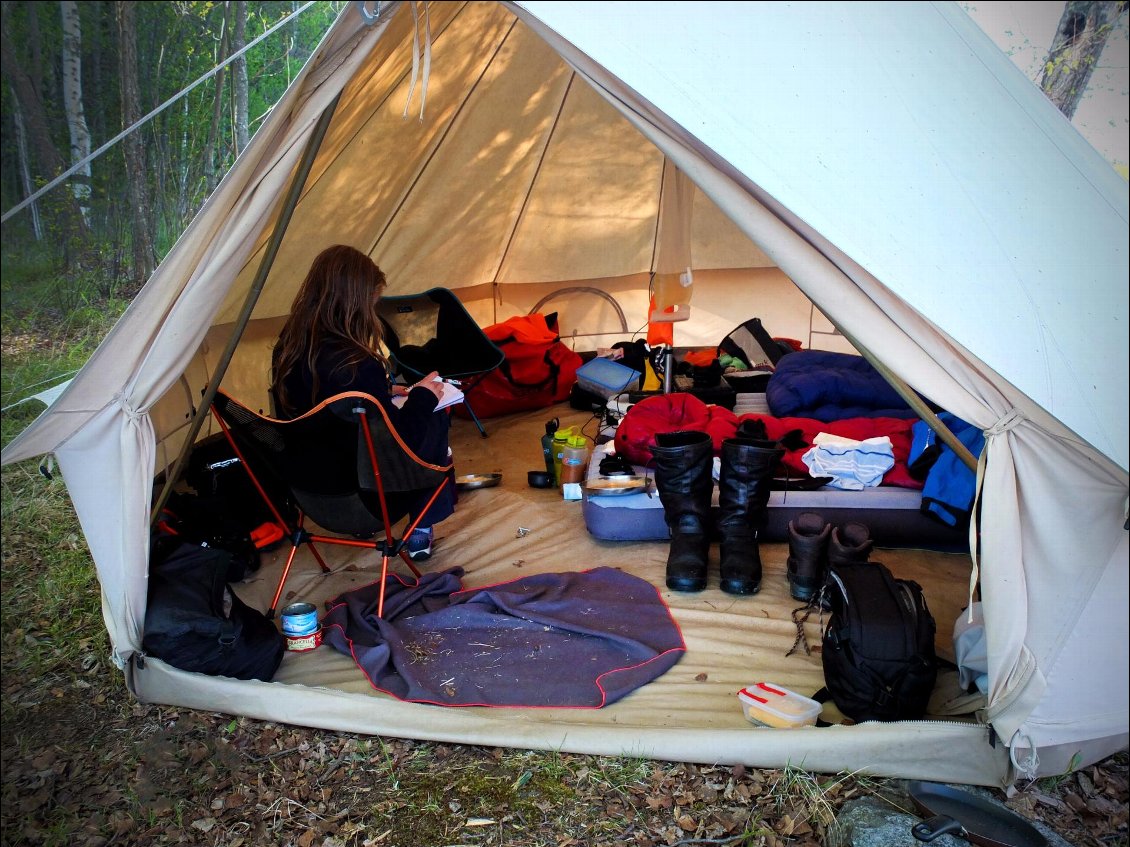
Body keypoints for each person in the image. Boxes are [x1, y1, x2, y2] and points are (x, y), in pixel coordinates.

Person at [270, 244, 455, 560]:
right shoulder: (359, 364)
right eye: (371, 305)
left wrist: (384, 392)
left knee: (374, 424)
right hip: (370, 499)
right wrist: (424, 396)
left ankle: (415, 527)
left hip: (309, 494)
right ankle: (420, 530)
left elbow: (331, 403)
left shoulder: (287, 351)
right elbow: (402, 442)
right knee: (435, 413)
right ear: (354, 305)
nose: (372, 313)